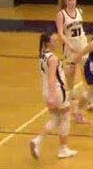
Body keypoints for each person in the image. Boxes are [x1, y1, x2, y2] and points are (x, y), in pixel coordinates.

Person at [30, 32, 77, 160]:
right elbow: (52, 79)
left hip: (46, 90)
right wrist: (52, 96)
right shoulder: (53, 58)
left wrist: (65, 70)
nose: (56, 43)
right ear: (47, 43)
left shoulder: (42, 56)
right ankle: (63, 149)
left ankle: (38, 140)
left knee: (56, 118)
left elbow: (54, 74)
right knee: (65, 118)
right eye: (54, 41)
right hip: (56, 91)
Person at [55, 0, 88, 110]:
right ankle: (71, 91)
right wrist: (68, 44)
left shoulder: (79, 11)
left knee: (86, 69)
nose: (72, 2)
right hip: (70, 45)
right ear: (65, 1)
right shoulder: (61, 15)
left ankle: (88, 94)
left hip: (82, 43)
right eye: (69, 0)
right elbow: (60, 33)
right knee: (71, 71)